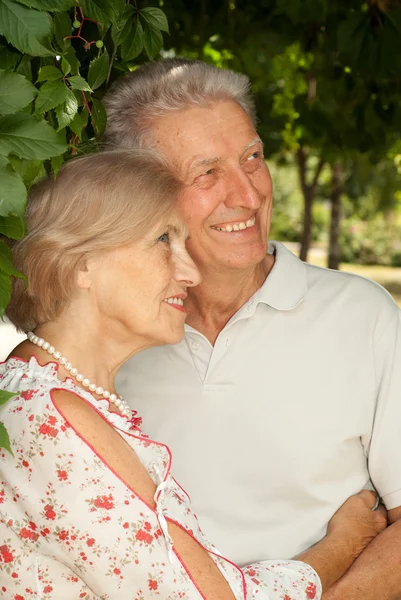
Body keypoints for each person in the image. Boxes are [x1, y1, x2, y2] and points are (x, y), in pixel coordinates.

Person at [0, 149, 386, 598]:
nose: (190, 273)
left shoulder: (42, 390)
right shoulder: (54, 419)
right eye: (164, 240)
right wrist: (342, 545)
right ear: (83, 262)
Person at [104, 59, 401, 599]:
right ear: (142, 197)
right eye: (207, 173)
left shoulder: (364, 316)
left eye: (252, 158)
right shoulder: (112, 339)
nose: (248, 194)